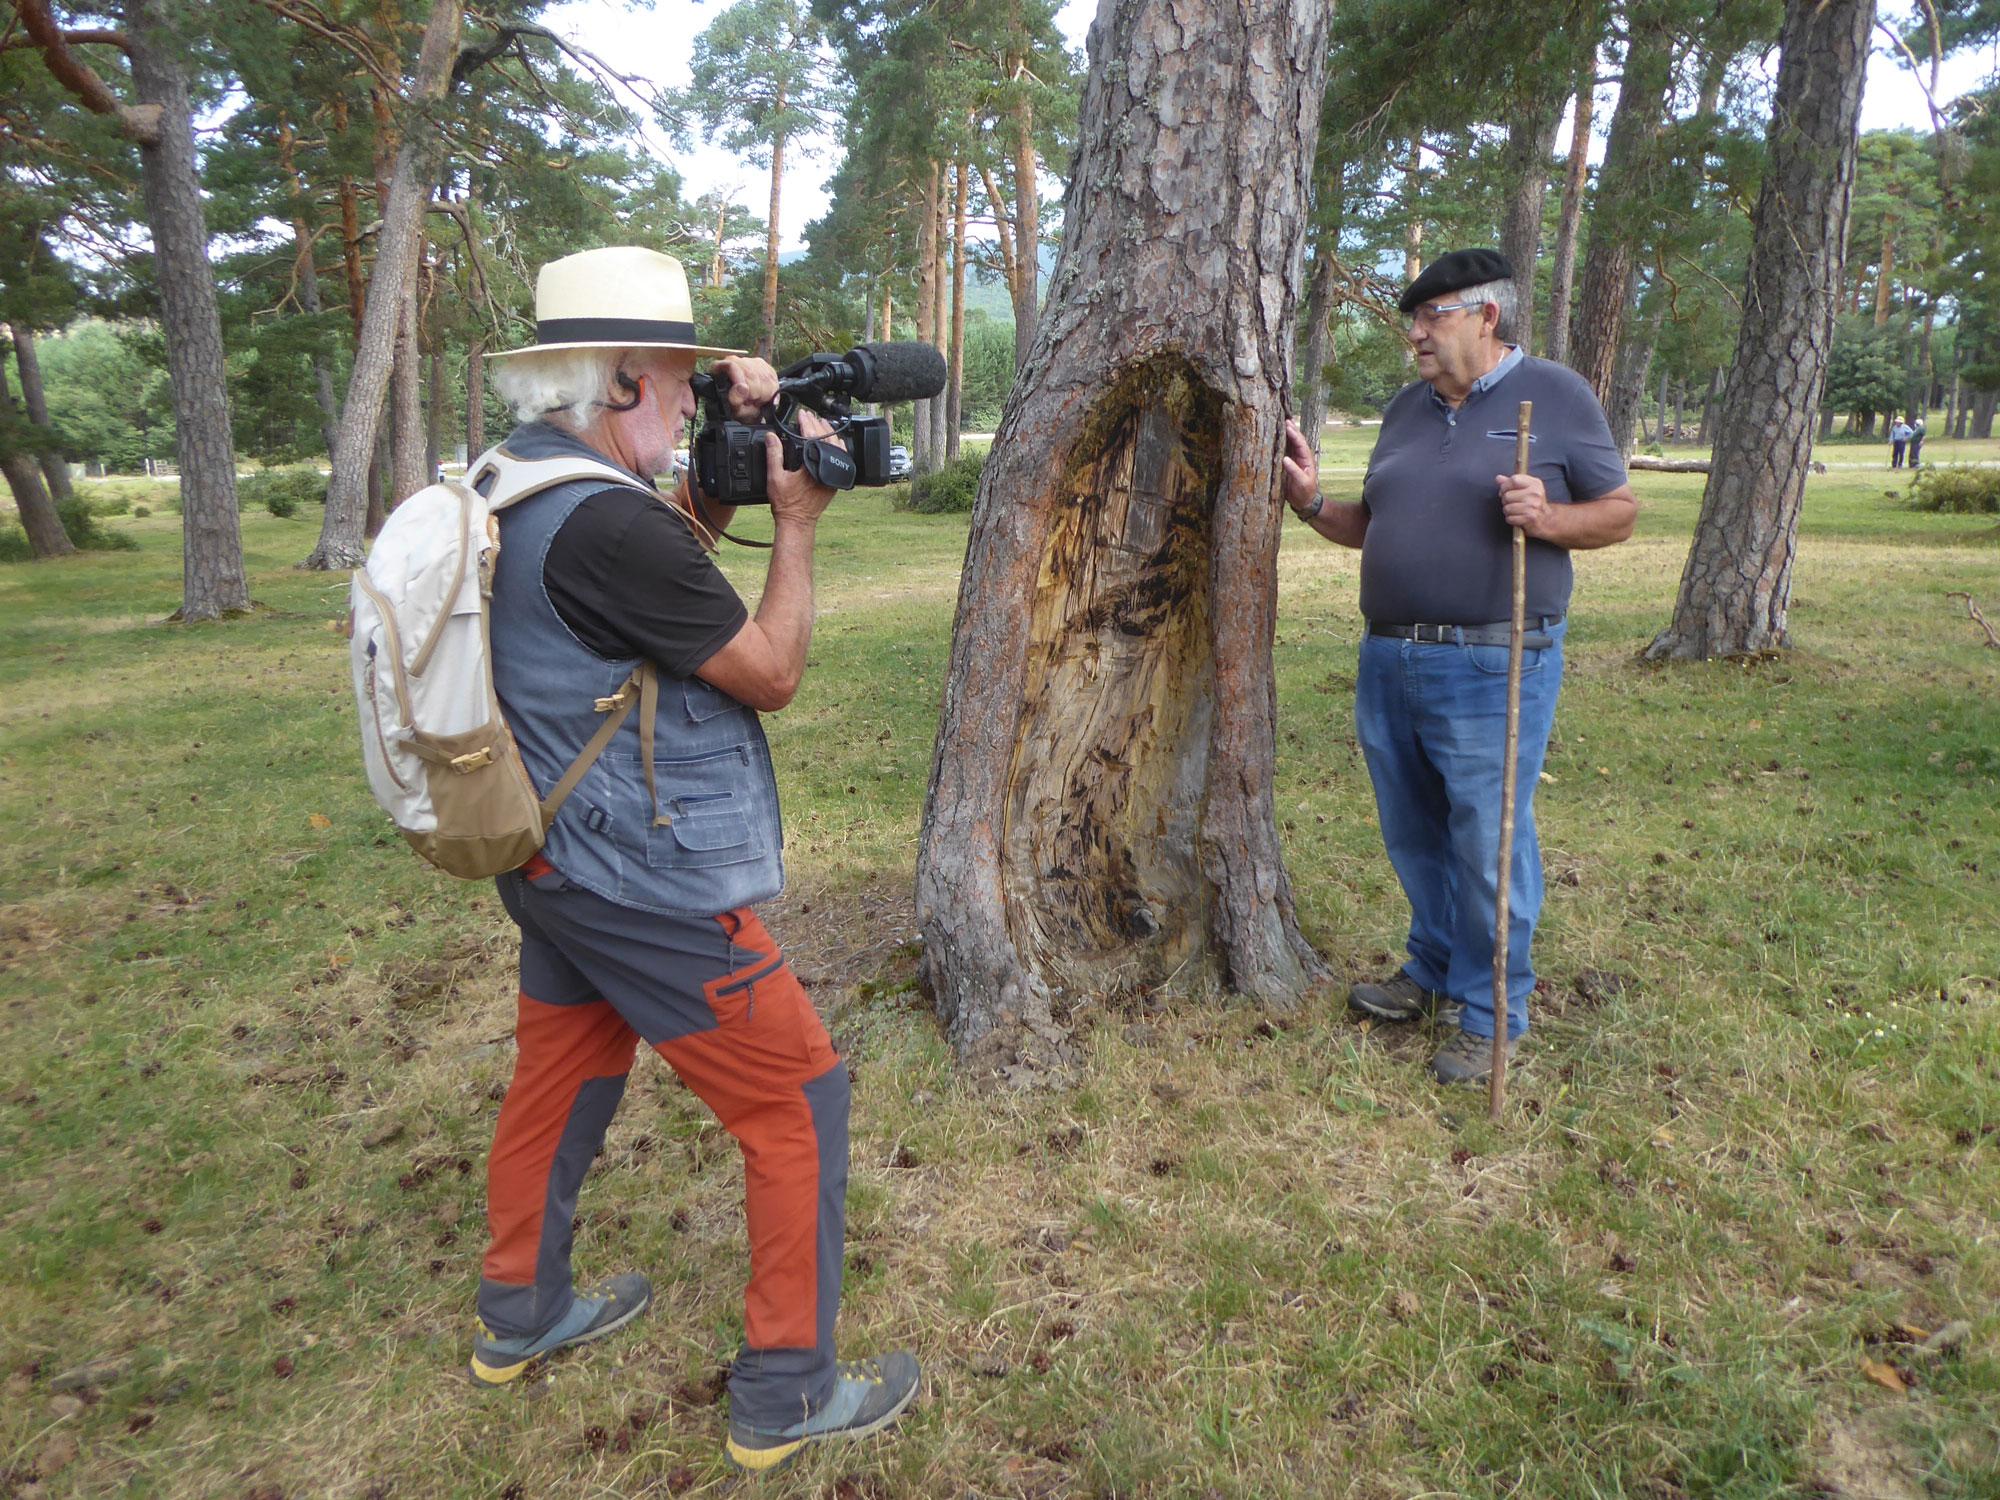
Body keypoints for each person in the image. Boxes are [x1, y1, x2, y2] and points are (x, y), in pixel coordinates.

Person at [471, 246, 918, 1472]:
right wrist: (798, 523)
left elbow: (650, 579)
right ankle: (786, 1389)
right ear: (618, 379)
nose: (689, 400)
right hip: (638, 876)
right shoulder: (608, 523)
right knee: (799, 1099)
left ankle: (519, 1312)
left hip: (544, 853)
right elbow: (765, 673)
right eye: (677, 380)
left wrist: (719, 471)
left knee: (560, 1077)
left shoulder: (521, 478)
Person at [1279, 248, 1637, 1086]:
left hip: (1491, 657)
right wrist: (1306, 503)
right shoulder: (1407, 410)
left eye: (1431, 316)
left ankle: (1492, 1013)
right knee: (1415, 832)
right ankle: (1435, 968)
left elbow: (1618, 514)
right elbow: (1373, 523)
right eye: (1414, 319)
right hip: (1388, 653)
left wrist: (1548, 517)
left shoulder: (1554, 396)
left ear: (1486, 316)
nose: (1415, 334)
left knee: (1486, 840)